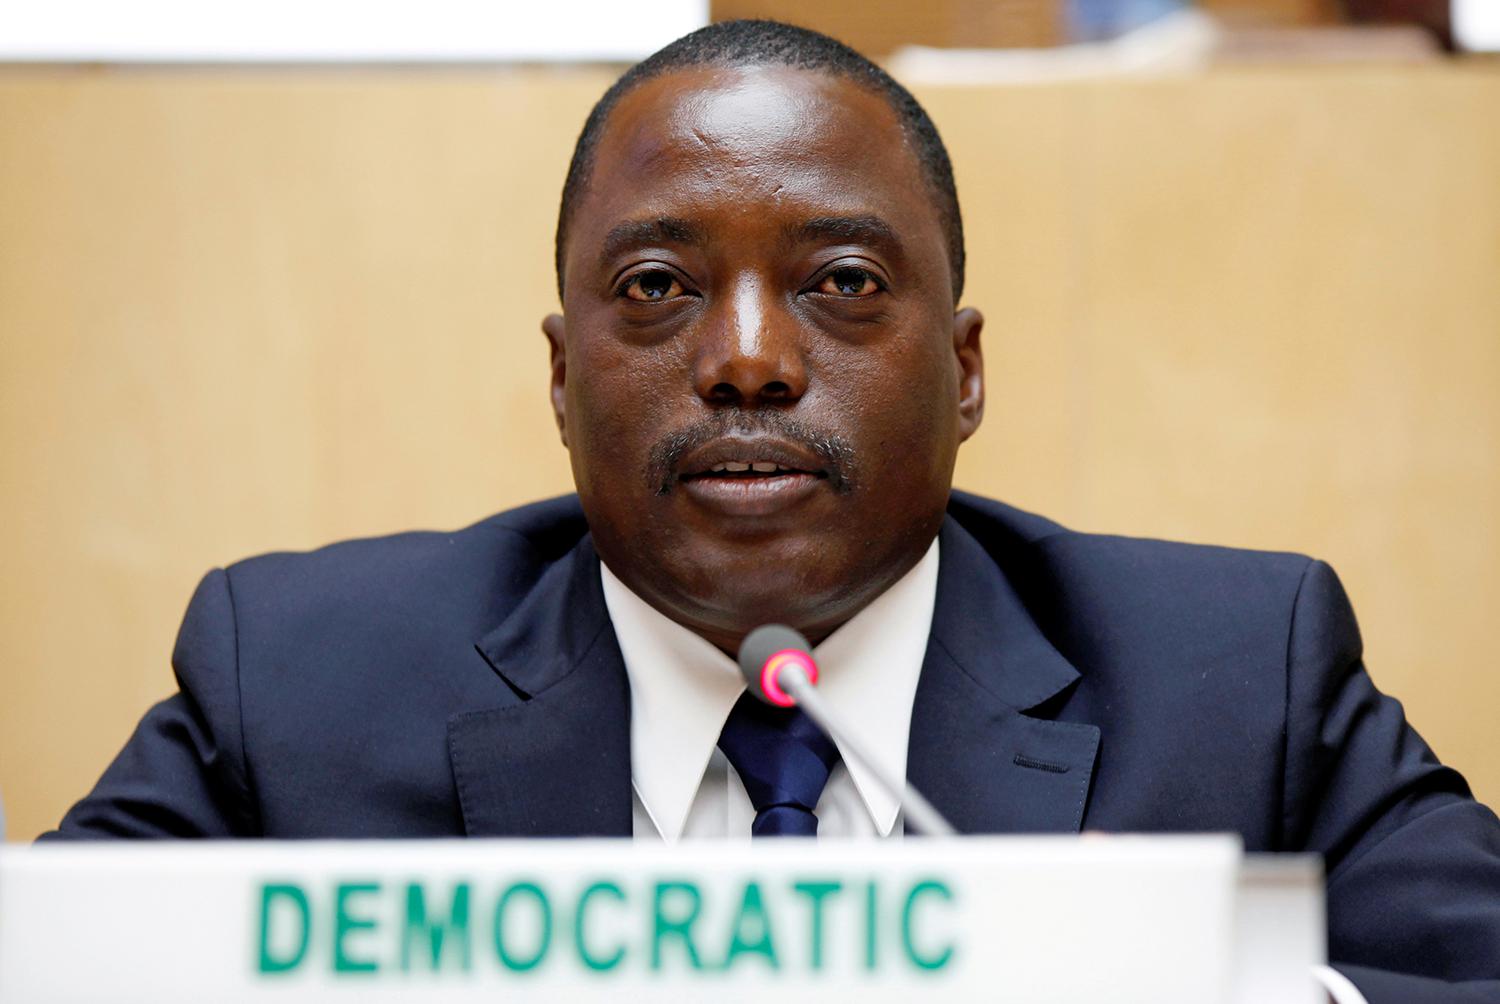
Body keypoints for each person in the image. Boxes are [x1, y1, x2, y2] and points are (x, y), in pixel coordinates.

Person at [42, 19, 1500, 1001]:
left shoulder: (1236, 680)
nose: (748, 359)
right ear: (561, 378)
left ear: (964, 371)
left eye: (843, 284)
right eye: (657, 287)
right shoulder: (296, 685)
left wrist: (1223, 987)